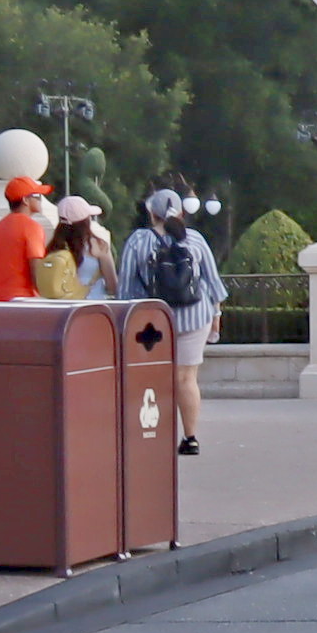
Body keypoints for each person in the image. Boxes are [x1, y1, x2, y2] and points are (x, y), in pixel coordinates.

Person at [114, 187, 225, 458]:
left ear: (151, 213)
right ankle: (190, 438)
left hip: (151, 322)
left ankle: (152, 434)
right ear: (181, 212)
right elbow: (213, 283)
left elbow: (126, 289)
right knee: (186, 379)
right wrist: (216, 316)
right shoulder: (195, 239)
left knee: (151, 378)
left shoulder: (138, 241)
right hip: (195, 316)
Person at [0, 176, 54, 306]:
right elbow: (36, 267)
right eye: (37, 196)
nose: (40, 200)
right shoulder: (32, 227)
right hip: (23, 301)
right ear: (25, 200)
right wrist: (47, 297)